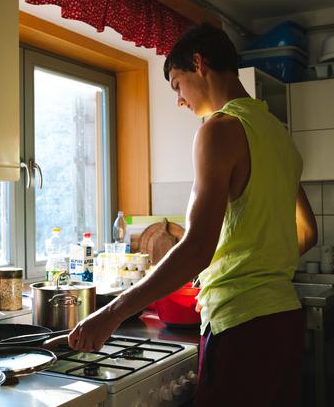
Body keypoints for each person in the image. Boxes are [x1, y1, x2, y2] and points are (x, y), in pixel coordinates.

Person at [68, 22, 318, 406]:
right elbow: (308, 232)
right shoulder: (278, 134)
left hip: (240, 326)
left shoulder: (219, 130)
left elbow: (197, 248)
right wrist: (261, 260)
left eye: (176, 84)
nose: (179, 100)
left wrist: (111, 315)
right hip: (284, 320)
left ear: (198, 64)